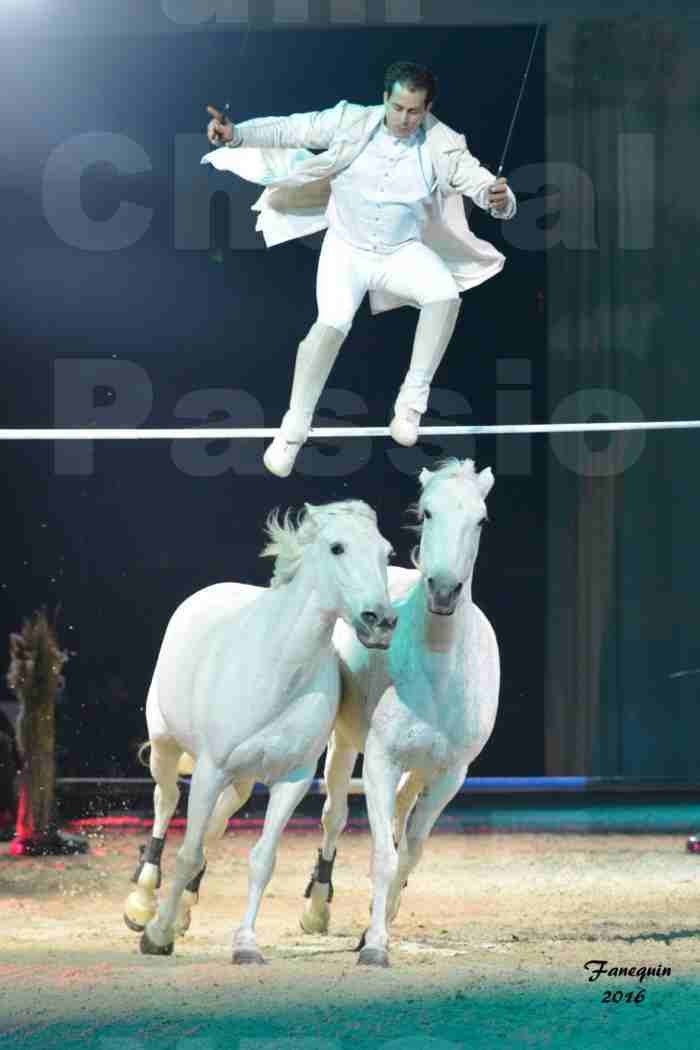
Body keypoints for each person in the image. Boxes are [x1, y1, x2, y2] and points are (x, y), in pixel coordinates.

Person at [203, 61, 517, 477]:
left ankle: (410, 404)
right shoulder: (350, 121)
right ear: (385, 99)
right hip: (346, 251)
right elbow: (292, 129)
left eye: (415, 111)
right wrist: (238, 134)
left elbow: (481, 183)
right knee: (330, 325)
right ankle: (292, 431)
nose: (405, 119)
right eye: (398, 108)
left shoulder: (443, 143)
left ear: (428, 109)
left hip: (401, 253)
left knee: (444, 295)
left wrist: (500, 200)